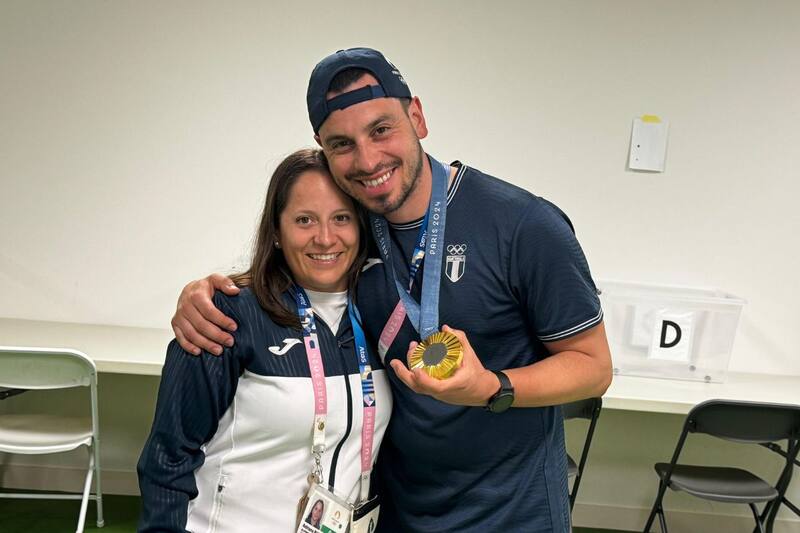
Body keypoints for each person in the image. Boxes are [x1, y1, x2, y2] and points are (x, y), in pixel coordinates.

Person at [171, 48, 612, 532]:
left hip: (509, 513)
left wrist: (491, 386)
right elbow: (302, 257)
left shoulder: (523, 225)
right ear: (322, 147)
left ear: (417, 117)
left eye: (381, 129)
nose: (367, 159)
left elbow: (593, 368)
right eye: (342, 144)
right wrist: (206, 293)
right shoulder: (357, 222)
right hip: (398, 511)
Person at [137, 148, 392, 532]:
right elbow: (168, 456)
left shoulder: (381, 313)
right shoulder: (225, 315)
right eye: (305, 220)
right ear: (276, 231)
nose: (325, 238)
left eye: (341, 218)